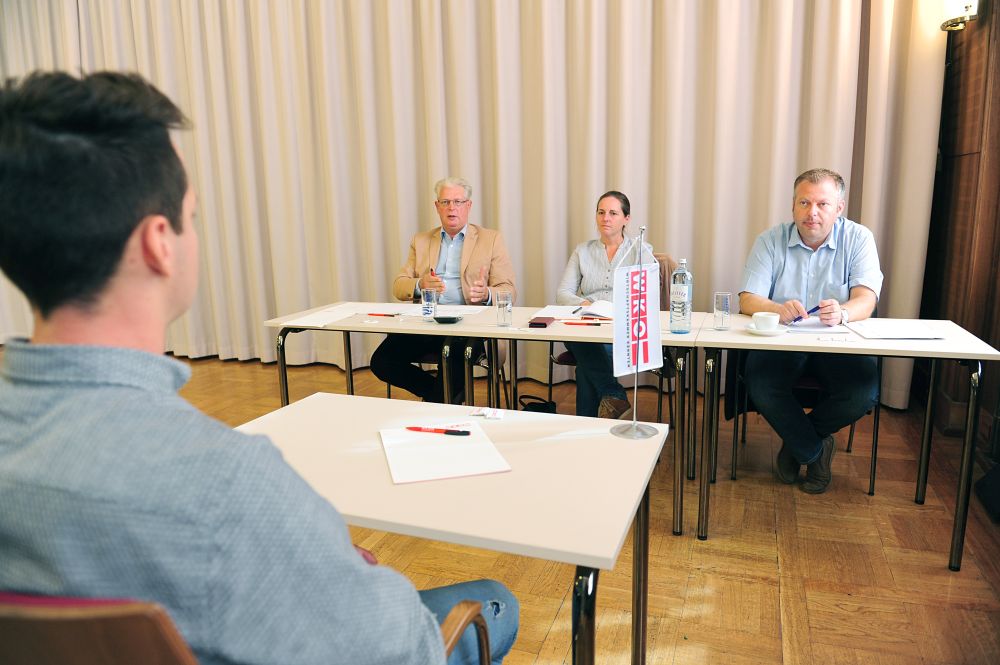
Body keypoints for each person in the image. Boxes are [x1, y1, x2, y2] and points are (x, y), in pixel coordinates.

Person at [0, 71, 517, 665]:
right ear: (159, 244)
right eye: (193, 216)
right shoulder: (231, 480)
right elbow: (401, 646)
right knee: (496, 600)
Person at [738, 168, 882, 494]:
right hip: (783, 341)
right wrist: (776, 308)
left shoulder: (859, 238)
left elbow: (866, 298)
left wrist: (844, 312)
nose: (812, 212)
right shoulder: (770, 240)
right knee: (761, 383)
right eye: (804, 202)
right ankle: (815, 451)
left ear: (839, 208)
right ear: (793, 206)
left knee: (863, 391)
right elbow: (747, 298)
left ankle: (796, 445)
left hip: (838, 341)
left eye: (822, 204)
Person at [371, 177, 517, 403]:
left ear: (468, 205)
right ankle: (439, 395)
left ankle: (439, 403)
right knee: (382, 361)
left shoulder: (491, 239)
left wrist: (487, 293)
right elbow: (398, 285)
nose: (451, 208)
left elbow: (509, 290)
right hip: (426, 323)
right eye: (445, 202)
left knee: (452, 355)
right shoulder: (421, 240)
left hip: (468, 326)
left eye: (458, 202)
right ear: (437, 206)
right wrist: (420, 284)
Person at [555, 191, 654, 418]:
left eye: (613, 213)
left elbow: (647, 296)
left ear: (626, 218)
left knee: (585, 366)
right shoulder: (582, 250)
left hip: (622, 328)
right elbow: (562, 294)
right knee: (580, 339)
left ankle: (590, 424)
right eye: (601, 212)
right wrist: (587, 304)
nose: (605, 218)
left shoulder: (641, 250)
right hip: (586, 322)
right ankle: (614, 395)